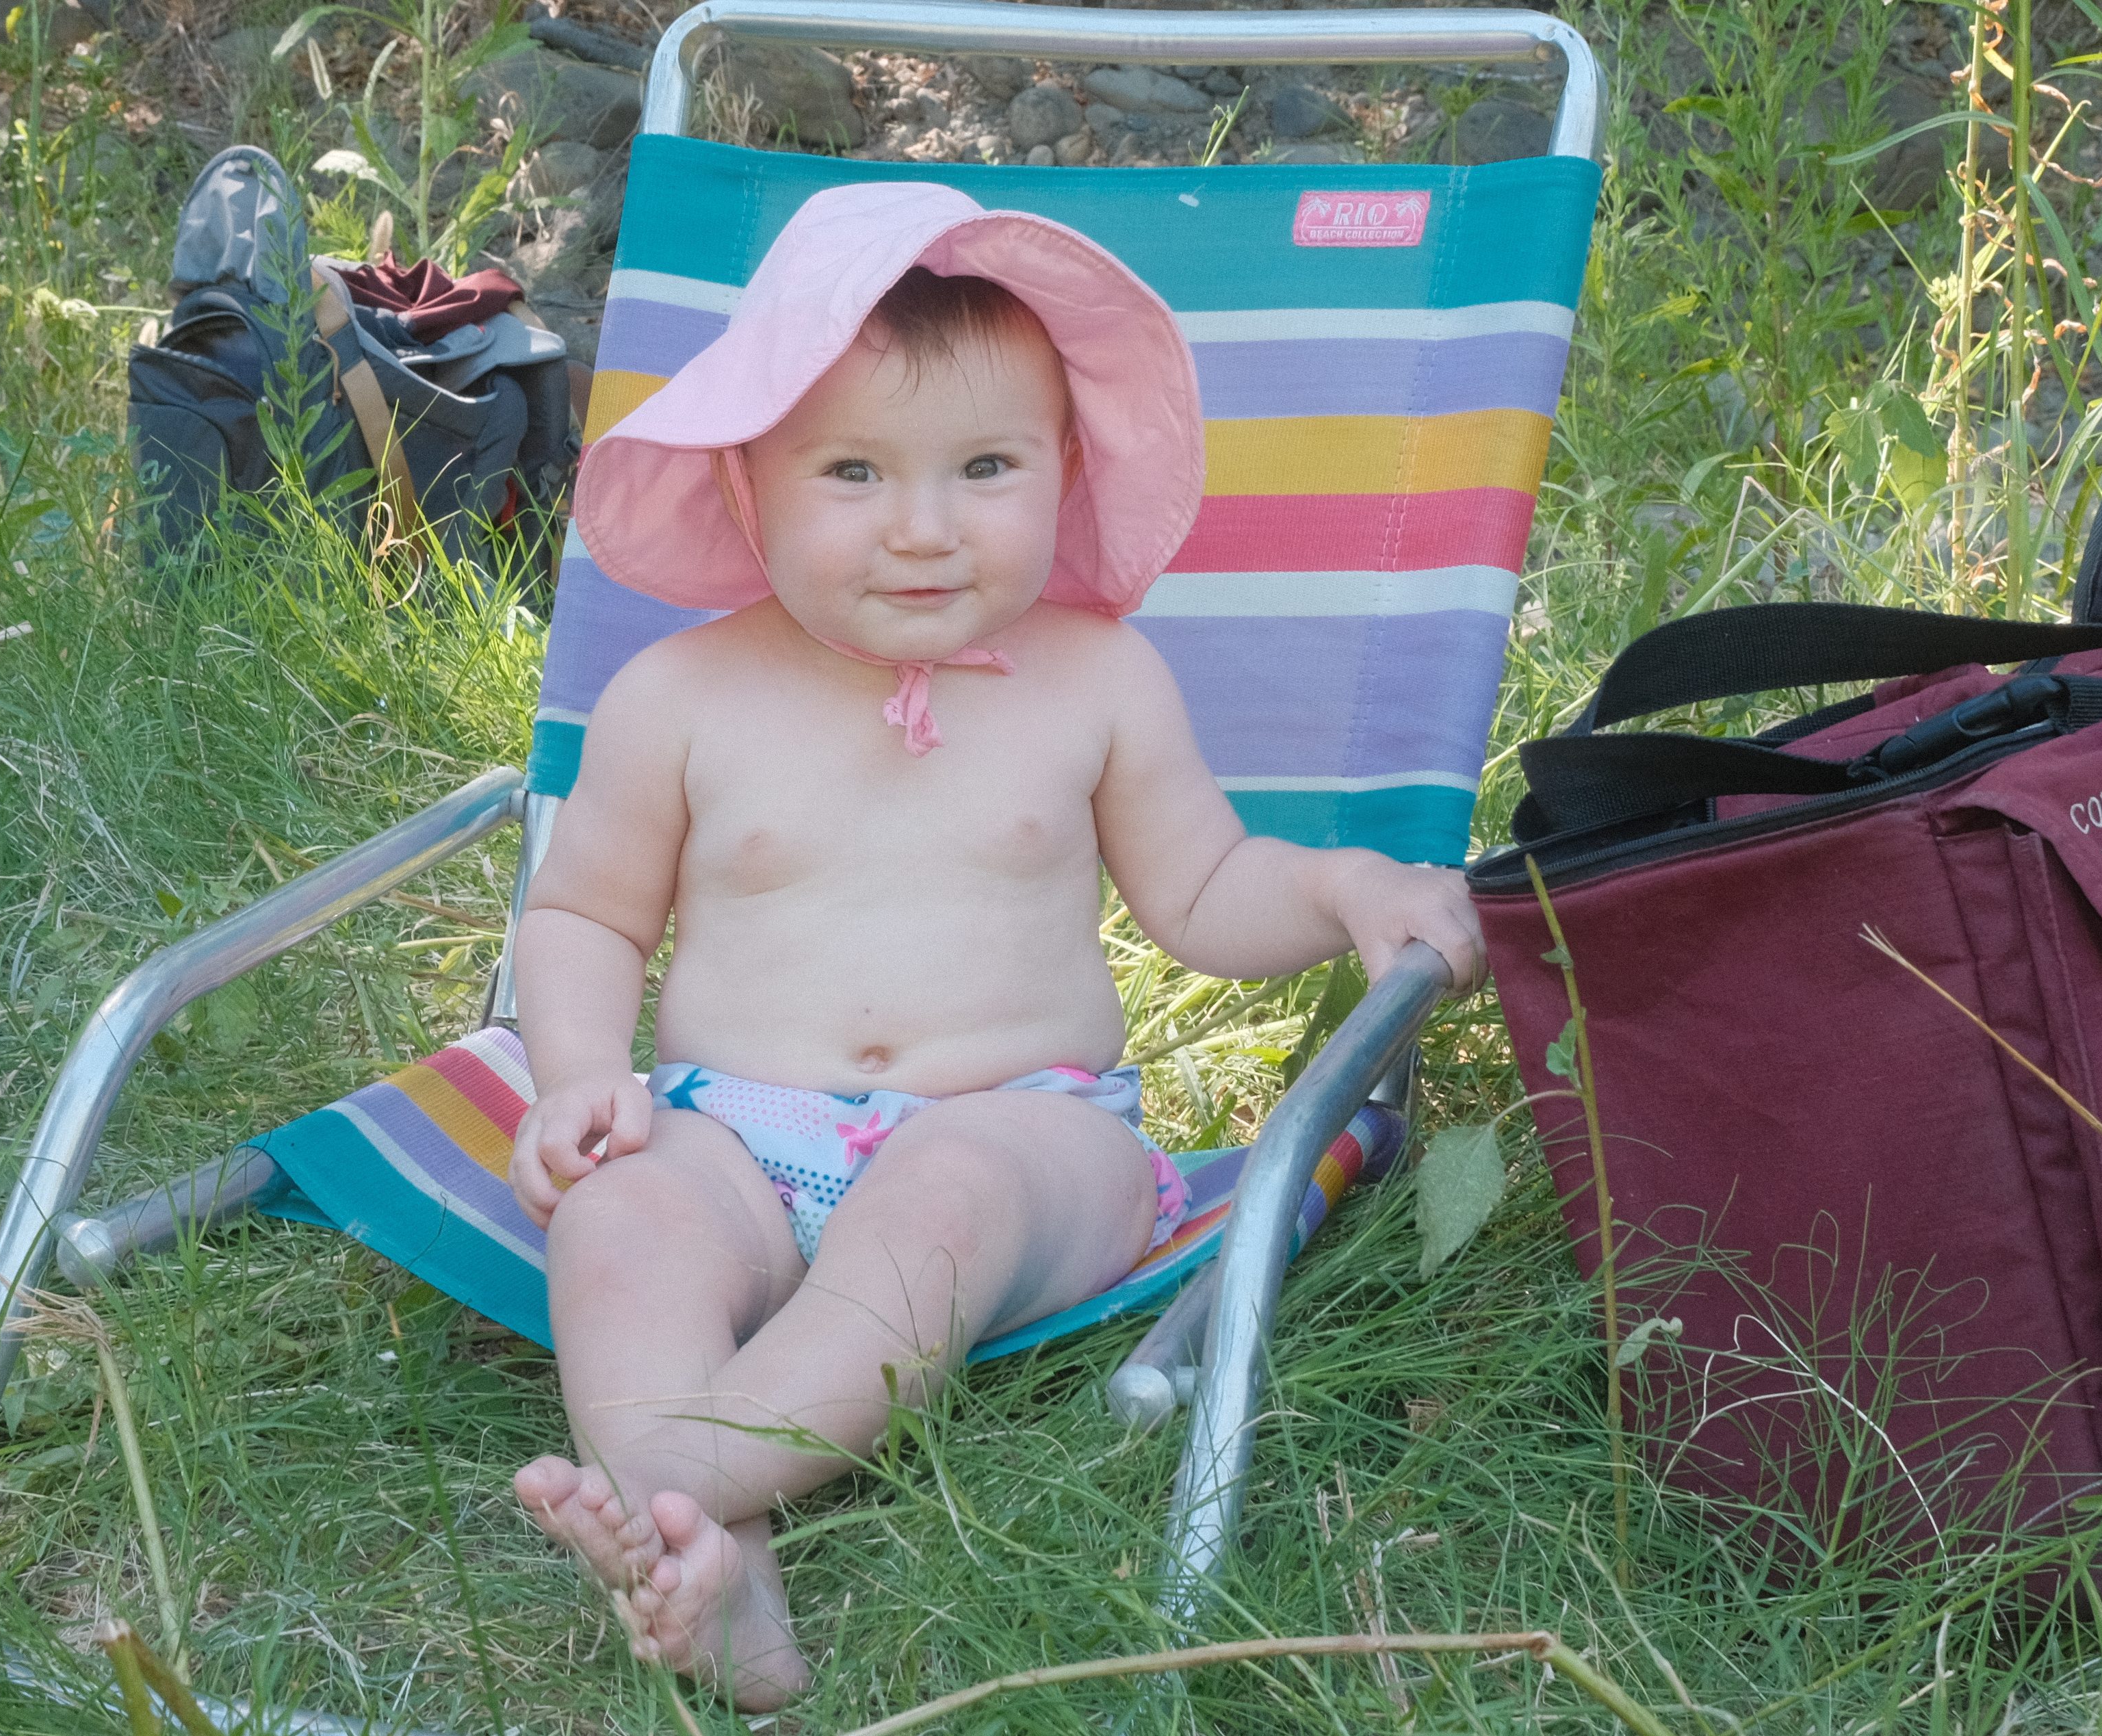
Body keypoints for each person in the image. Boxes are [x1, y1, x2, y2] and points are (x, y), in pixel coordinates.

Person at [506, 181, 1484, 1709]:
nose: (924, 527)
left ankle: (665, 1479)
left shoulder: (1096, 679)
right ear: (746, 483)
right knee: (619, 1222)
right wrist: (579, 1075)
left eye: (985, 468)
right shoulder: (680, 697)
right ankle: (722, 1567)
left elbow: (1207, 888)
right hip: (731, 1130)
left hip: (1027, 1134)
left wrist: (1342, 886)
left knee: (945, 1195)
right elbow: (584, 912)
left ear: (1064, 471)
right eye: (851, 471)